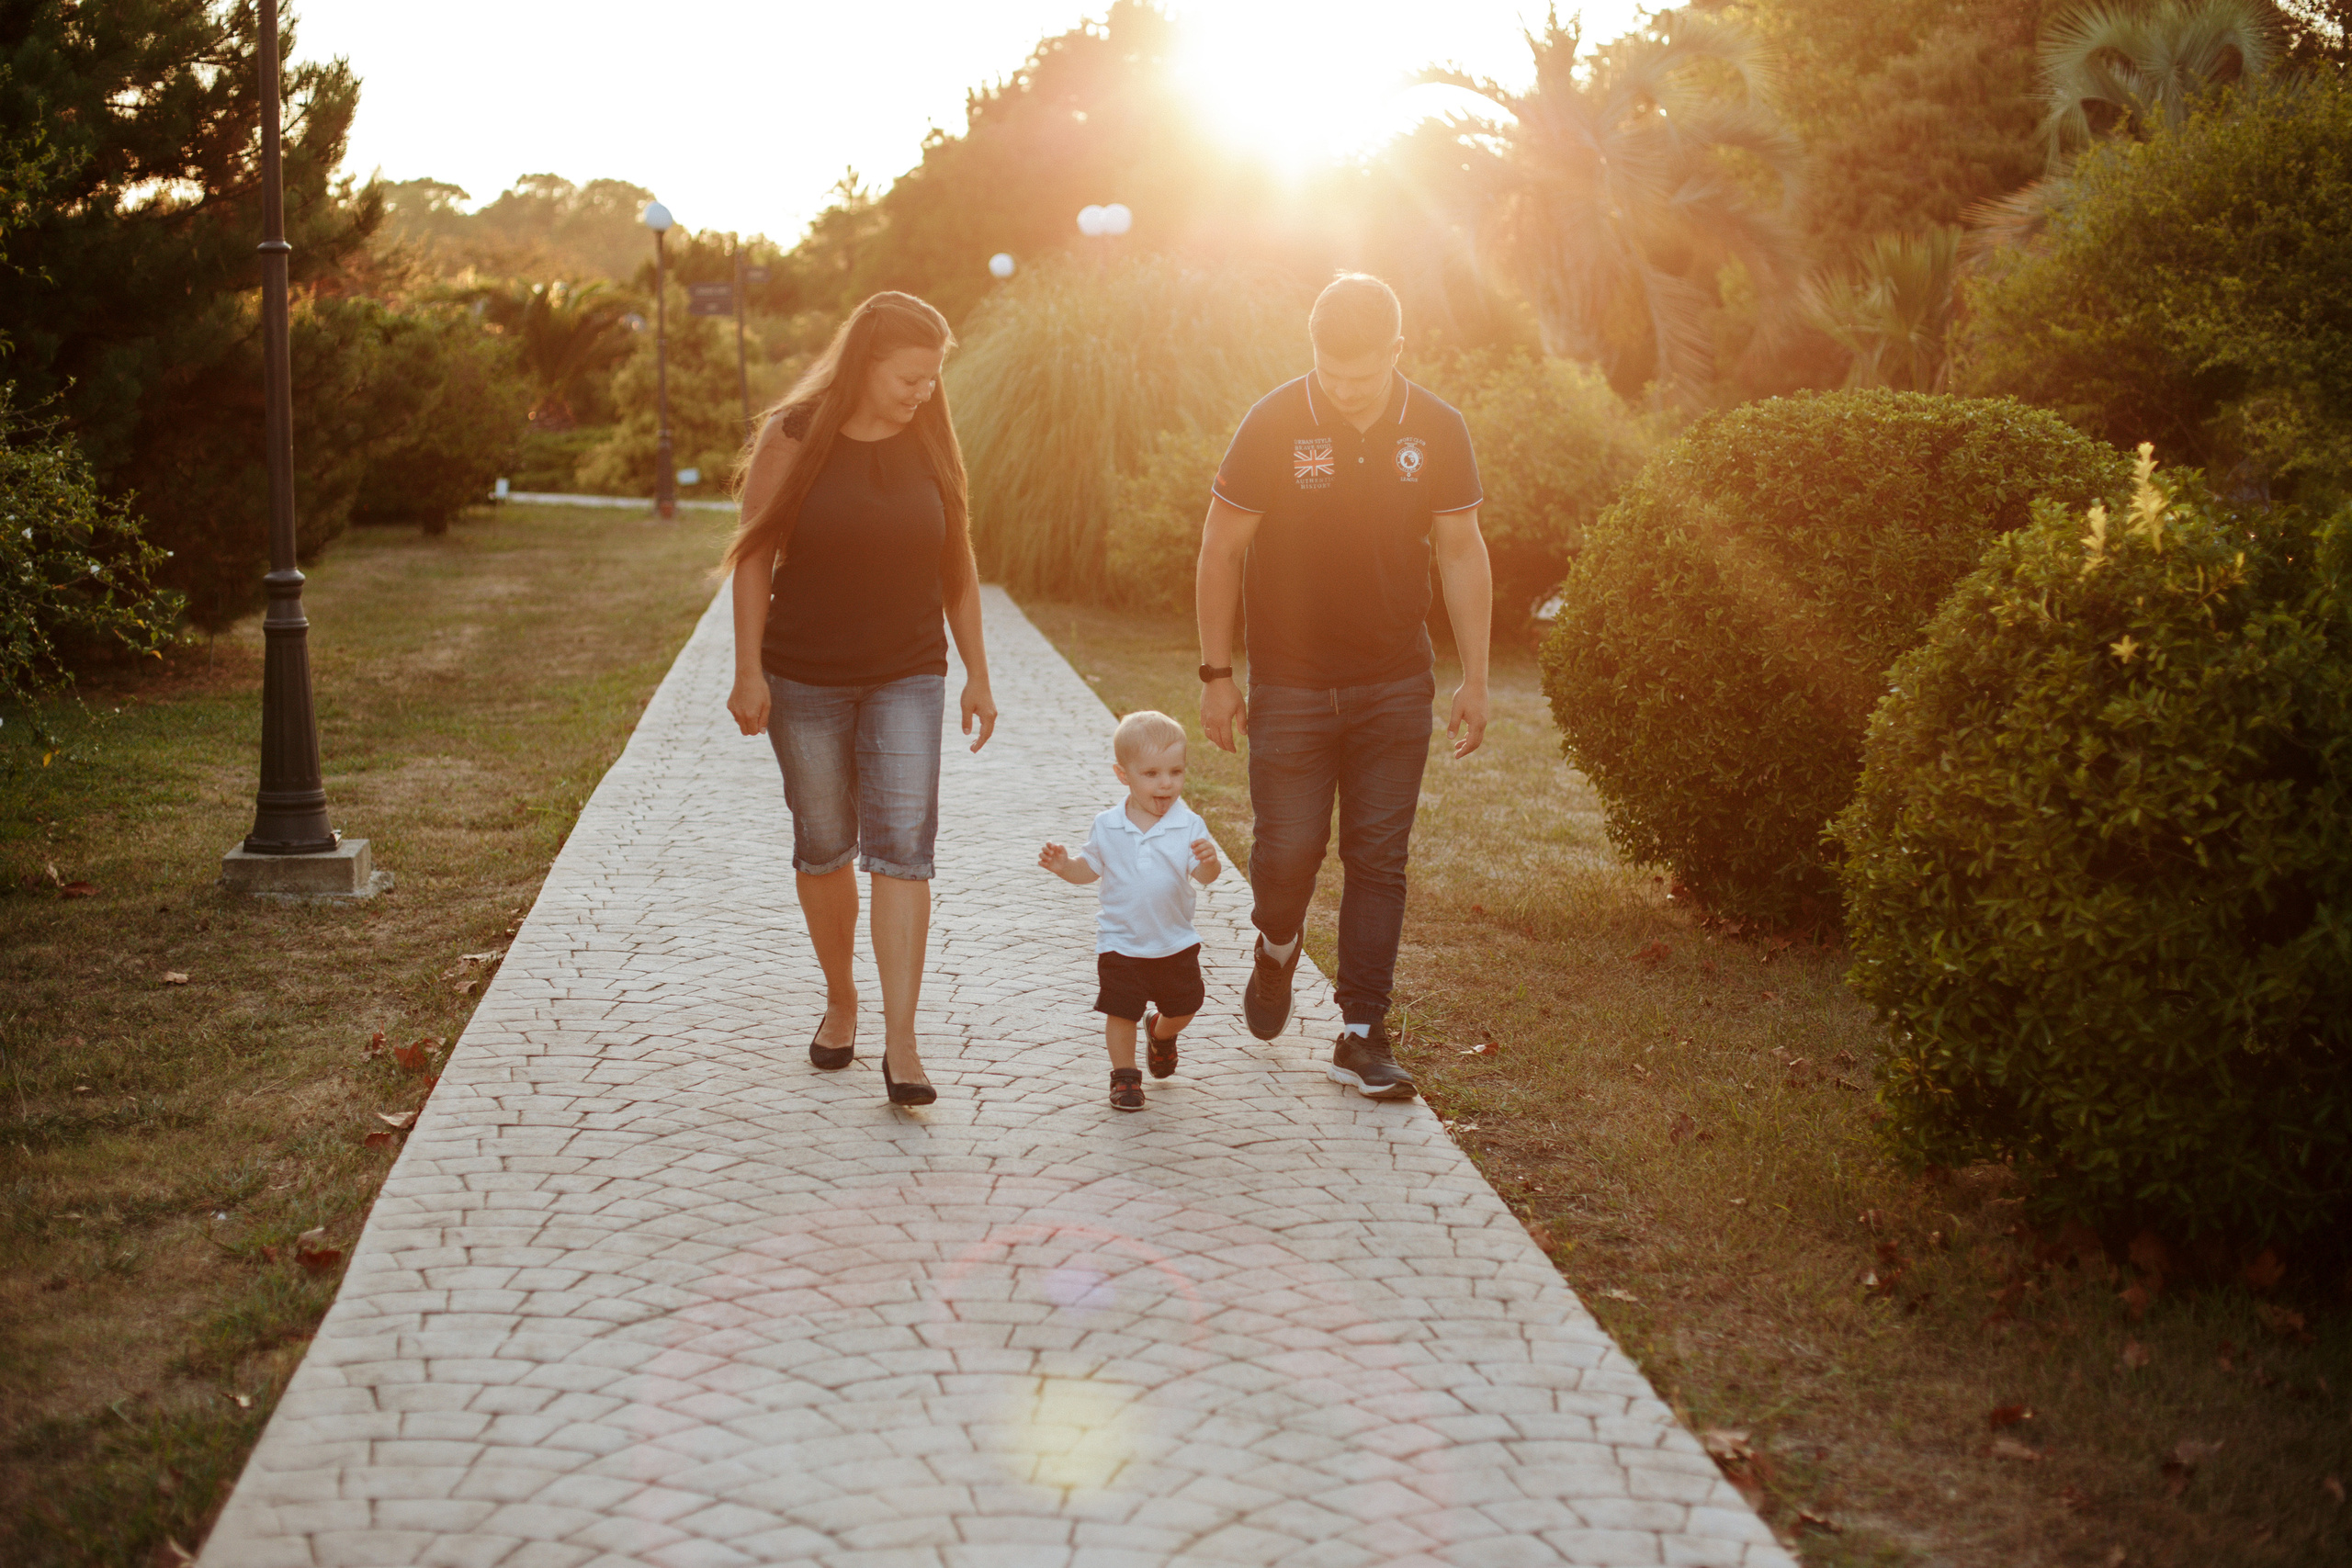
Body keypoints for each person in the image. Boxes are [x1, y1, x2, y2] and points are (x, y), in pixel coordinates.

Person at [1194, 272, 1491, 1100]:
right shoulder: (1274, 421)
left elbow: (1463, 551)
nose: (1347, 387)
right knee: (1286, 853)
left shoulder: (1436, 427)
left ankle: (1362, 1030)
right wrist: (1218, 675)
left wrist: (1476, 676)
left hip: (1397, 685)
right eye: (1332, 370)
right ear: (1313, 350)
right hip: (1291, 685)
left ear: (1399, 349)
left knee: (1378, 859)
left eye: (1364, 374)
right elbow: (1221, 550)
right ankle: (1278, 944)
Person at [722, 291, 997, 1107]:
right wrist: (748, 670)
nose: (924, 391)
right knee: (824, 843)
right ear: (867, 361)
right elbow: (753, 555)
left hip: (908, 669)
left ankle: (902, 1042)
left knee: (905, 849)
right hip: (803, 672)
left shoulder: (932, 437)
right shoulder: (794, 436)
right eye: (911, 376)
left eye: (933, 377)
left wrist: (978, 671)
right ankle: (841, 998)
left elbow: (960, 566)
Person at [1038, 710, 1222, 1111]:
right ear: (1123, 775)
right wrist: (1064, 867)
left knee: (1186, 1005)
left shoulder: (1188, 825)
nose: (1166, 783)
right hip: (1120, 942)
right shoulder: (1107, 825)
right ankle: (1125, 1077)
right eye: (1152, 773)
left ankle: (1160, 1030)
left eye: (1176, 771)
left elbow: (1206, 876)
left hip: (1174, 940)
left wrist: (1210, 861)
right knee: (1120, 1011)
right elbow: (1089, 870)